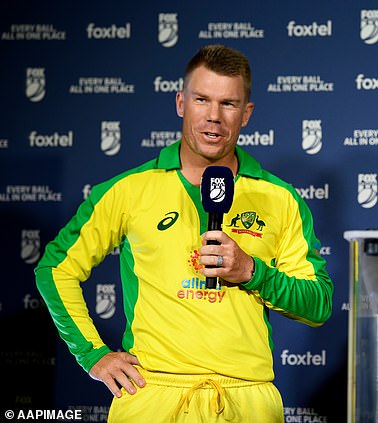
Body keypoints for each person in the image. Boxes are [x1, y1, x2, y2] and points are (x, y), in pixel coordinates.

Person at [35, 44, 333, 422]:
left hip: (247, 400)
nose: (213, 117)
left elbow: (319, 303)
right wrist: (92, 353)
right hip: (152, 395)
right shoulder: (128, 189)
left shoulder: (280, 198)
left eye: (228, 104)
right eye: (201, 99)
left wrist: (252, 272)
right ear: (180, 103)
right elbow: (56, 268)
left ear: (246, 114)